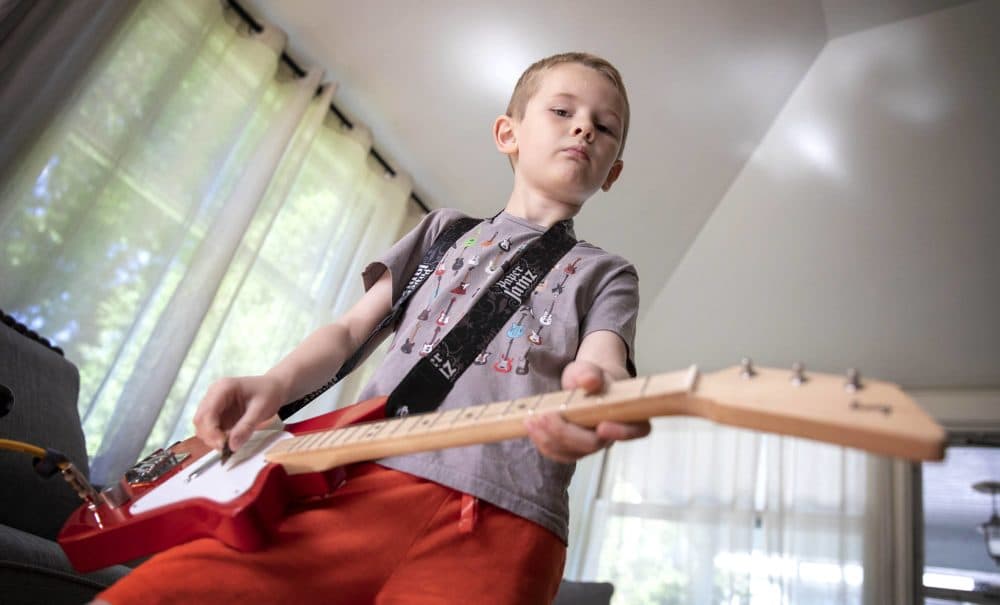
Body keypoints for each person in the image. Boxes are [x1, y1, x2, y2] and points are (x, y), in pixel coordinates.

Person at [94, 51, 649, 605]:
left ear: (613, 171)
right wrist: (274, 383)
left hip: (504, 515)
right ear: (508, 133)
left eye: (605, 128)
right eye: (561, 110)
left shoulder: (608, 273)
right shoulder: (443, 231)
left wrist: (594, 394)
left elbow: (603, 360)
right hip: (355, 479)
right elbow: (349, 331)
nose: (583, 128)